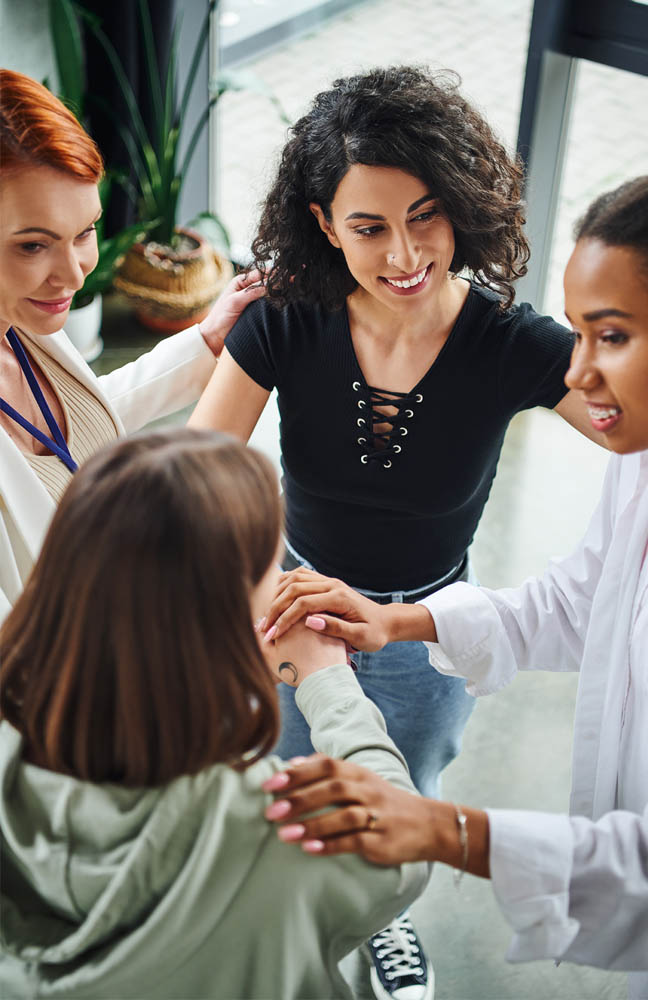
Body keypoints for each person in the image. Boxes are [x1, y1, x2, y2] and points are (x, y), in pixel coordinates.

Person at [189, 64, 604, 997]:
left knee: (399, 793)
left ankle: (388, 920)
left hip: (432, 633)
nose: (404, 253)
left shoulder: (512, 343)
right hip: (291, 613)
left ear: (462, 205)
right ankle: (288, 926)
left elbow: (641, 421)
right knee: (292, 791)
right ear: (324, 223)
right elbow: (195, 484)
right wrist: (269, 599)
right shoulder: (288, 318)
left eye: (426, 216)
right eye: (368, 226)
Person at [260, 173, 648, 1000]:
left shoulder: (512, 352)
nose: (579, 375)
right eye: (580, 336)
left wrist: (441, 828)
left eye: (611, 337)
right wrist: (395, 623)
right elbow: (578, 603)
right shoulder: (646, 464)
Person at [0, 427, 429, 1000]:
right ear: (216, 619)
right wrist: (330, 686)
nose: (283, 585)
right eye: (267, 570)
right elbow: (406, 851)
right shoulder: (270, 819)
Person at [0, 69, 264, 623]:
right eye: (32, 246)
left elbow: (63, 429)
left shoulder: (21, 323)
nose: (72, 275)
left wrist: (206, 341)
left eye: (85, 232)